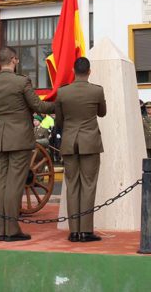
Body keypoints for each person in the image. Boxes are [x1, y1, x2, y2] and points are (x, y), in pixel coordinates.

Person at [0, 46, 55, 242]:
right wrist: (59, 103)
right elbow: (38, 106)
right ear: (15, 60)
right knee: (15, 185)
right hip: (20, 139)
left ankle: (2, 229)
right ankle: (11, 230)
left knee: (1, 185)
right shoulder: (22, 82)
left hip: (0, 139)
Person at [55, 57, 107, 243]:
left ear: (73, 70)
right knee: (88, 185)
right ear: (89, 71)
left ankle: (74, 231)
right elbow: (102, 112)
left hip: (69, 142)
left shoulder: (63, 92)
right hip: (89, 142)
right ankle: (86, 231)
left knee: (72, 186)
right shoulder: (97, 90)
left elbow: (59, 120)